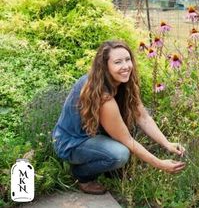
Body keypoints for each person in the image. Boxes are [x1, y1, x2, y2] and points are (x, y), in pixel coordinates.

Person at [52, 40, 186, 195]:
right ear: (105, 66)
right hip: (71, 142)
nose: (126, 66)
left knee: (130, 123)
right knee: (120, 154)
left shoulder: (124, 83)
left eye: (127, 60)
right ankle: (82, 174)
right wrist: (161, 164)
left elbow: (143, 117)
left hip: (93, 134)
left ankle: (108, 168)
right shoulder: (101, 94)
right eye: (117, 62)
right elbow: (127, 140)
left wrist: (167, 143)